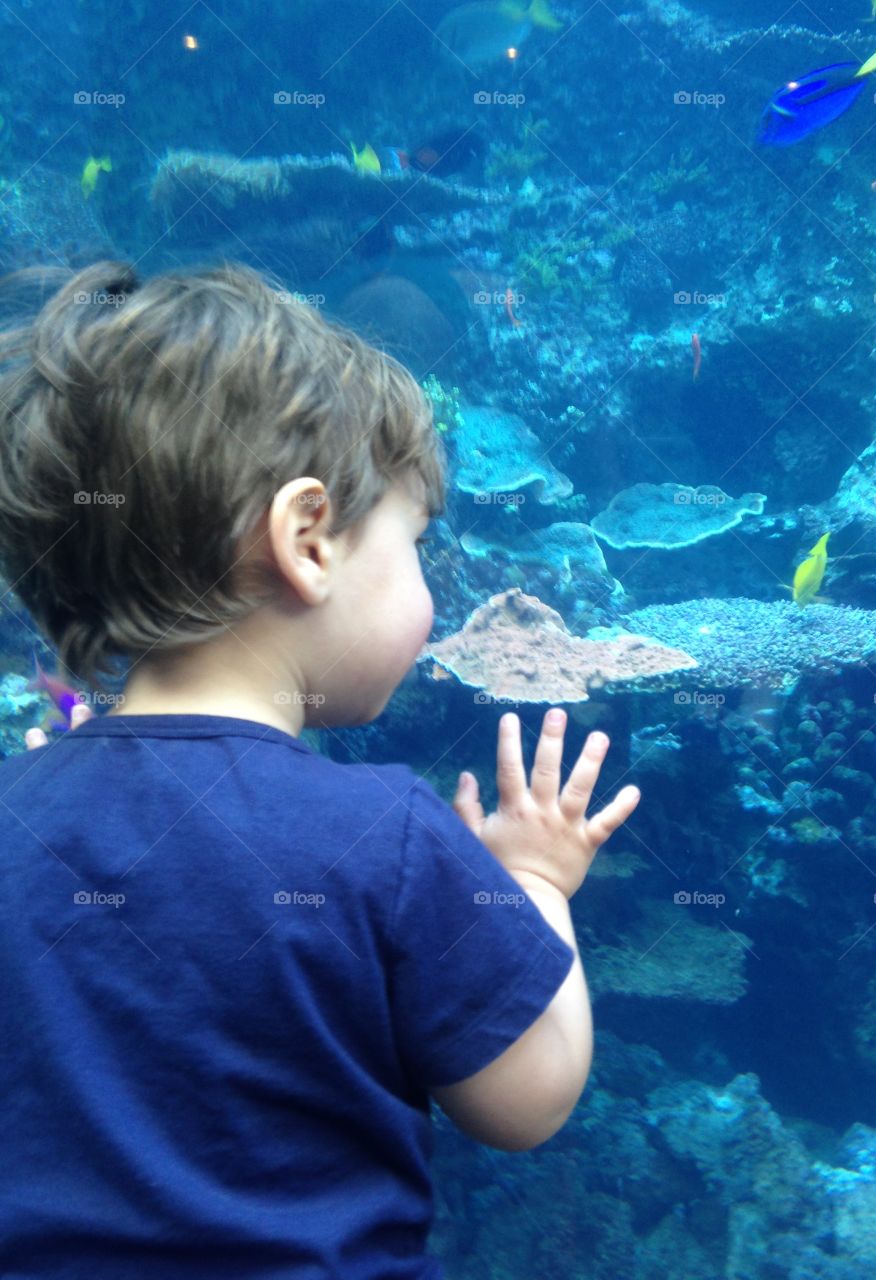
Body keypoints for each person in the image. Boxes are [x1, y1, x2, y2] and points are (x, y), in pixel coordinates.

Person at [0, 260, 641, 1278]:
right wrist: (535, 882)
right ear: (308, 540)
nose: (430, 589)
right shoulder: (381, 833)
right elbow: (530, 1094)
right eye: (416, 543)